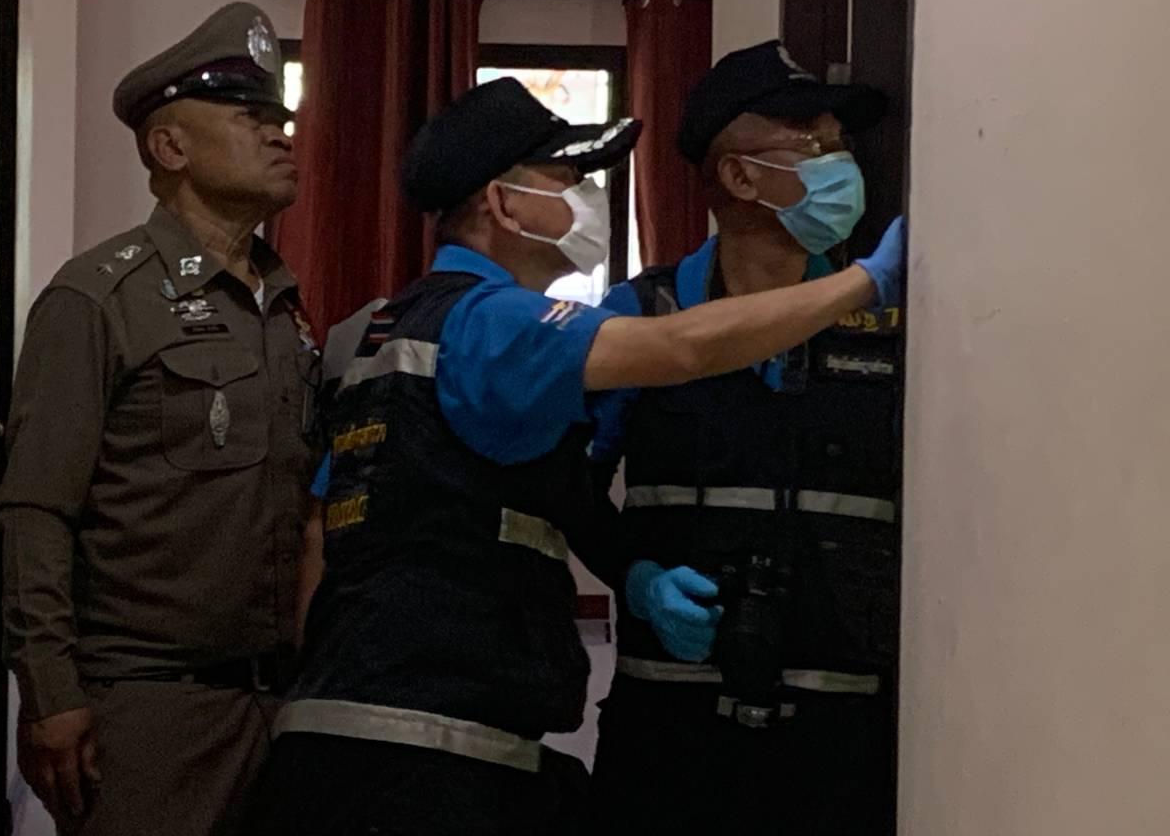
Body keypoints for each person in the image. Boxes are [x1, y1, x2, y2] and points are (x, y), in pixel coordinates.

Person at [247, 75, 904, 835]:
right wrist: (866, 281)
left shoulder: (394, 326)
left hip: (343, 731)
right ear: (501, 203)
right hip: (427, 757)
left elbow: (321, 534)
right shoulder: (499, 323)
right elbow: (680, 348)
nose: (587, 196)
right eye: (566, 178)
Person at [0, 2, 322, 836]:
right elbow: (35, 510)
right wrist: (50, 695)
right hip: (147, 714)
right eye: (250, 118)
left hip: (275, 705)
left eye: (281, 119)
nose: (281, 135)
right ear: (170, 147)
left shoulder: (282, 307)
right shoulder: (99, 298)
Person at [586, 39, 902, 834]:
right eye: (812, 146)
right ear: (738, 176)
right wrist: (637, 578)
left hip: (842, 736)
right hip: (671, 735)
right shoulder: (644, 319)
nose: (840, 165)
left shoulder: (889, 325)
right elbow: (564, 489)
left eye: (840, 144)